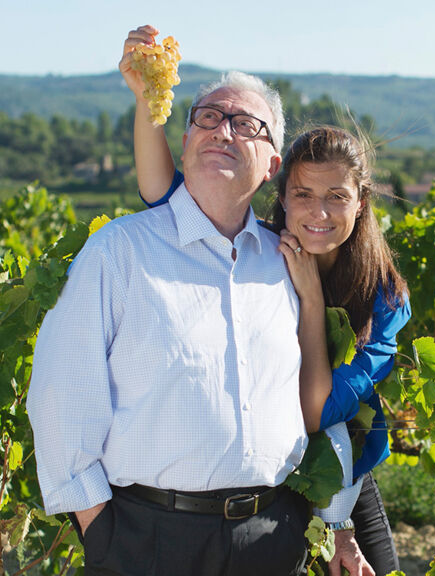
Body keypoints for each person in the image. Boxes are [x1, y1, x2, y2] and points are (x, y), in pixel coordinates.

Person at [27, 33, 368, 576]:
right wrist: (103, 533)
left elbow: (320, 412)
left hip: (274, 539)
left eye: (245, 124)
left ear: (272, 164)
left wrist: (337, 524)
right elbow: (60, 393)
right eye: (208, 117)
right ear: (184, 141)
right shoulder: (119, 251)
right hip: (148, 543)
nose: (222, 130)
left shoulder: (290, 264)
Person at [131, 28, 411, 575]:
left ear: (361, 203)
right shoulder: (256, 253)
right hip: (269, 482)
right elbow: (163, 194)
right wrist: (147, 98)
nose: (318, 213)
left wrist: (310, 301)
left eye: (337, 197)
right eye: (303, 194)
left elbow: (318, 414)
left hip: (342, 477)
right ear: (279, 193)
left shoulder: (384, 299)